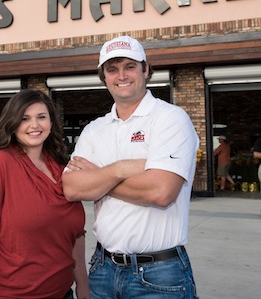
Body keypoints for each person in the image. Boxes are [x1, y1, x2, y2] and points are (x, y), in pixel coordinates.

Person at [63, 35, 199, 298]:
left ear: (146, 70)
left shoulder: (170, 119)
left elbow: (160, 192)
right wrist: (121, 169)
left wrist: (98, 179)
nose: (121, 75)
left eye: (130, 66)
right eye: (112, 69)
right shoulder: (94, 129)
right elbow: (71, 188)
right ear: (104, 77)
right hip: (102, 269)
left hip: (159, 274)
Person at [0, 89, 88, 299]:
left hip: (62, 293)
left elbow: (76, 234)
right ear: (12, 124)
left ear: (51, 122)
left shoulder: (62, 168)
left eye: (41, 117)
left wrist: (83, 287)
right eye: (25, 119)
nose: (34, 125)